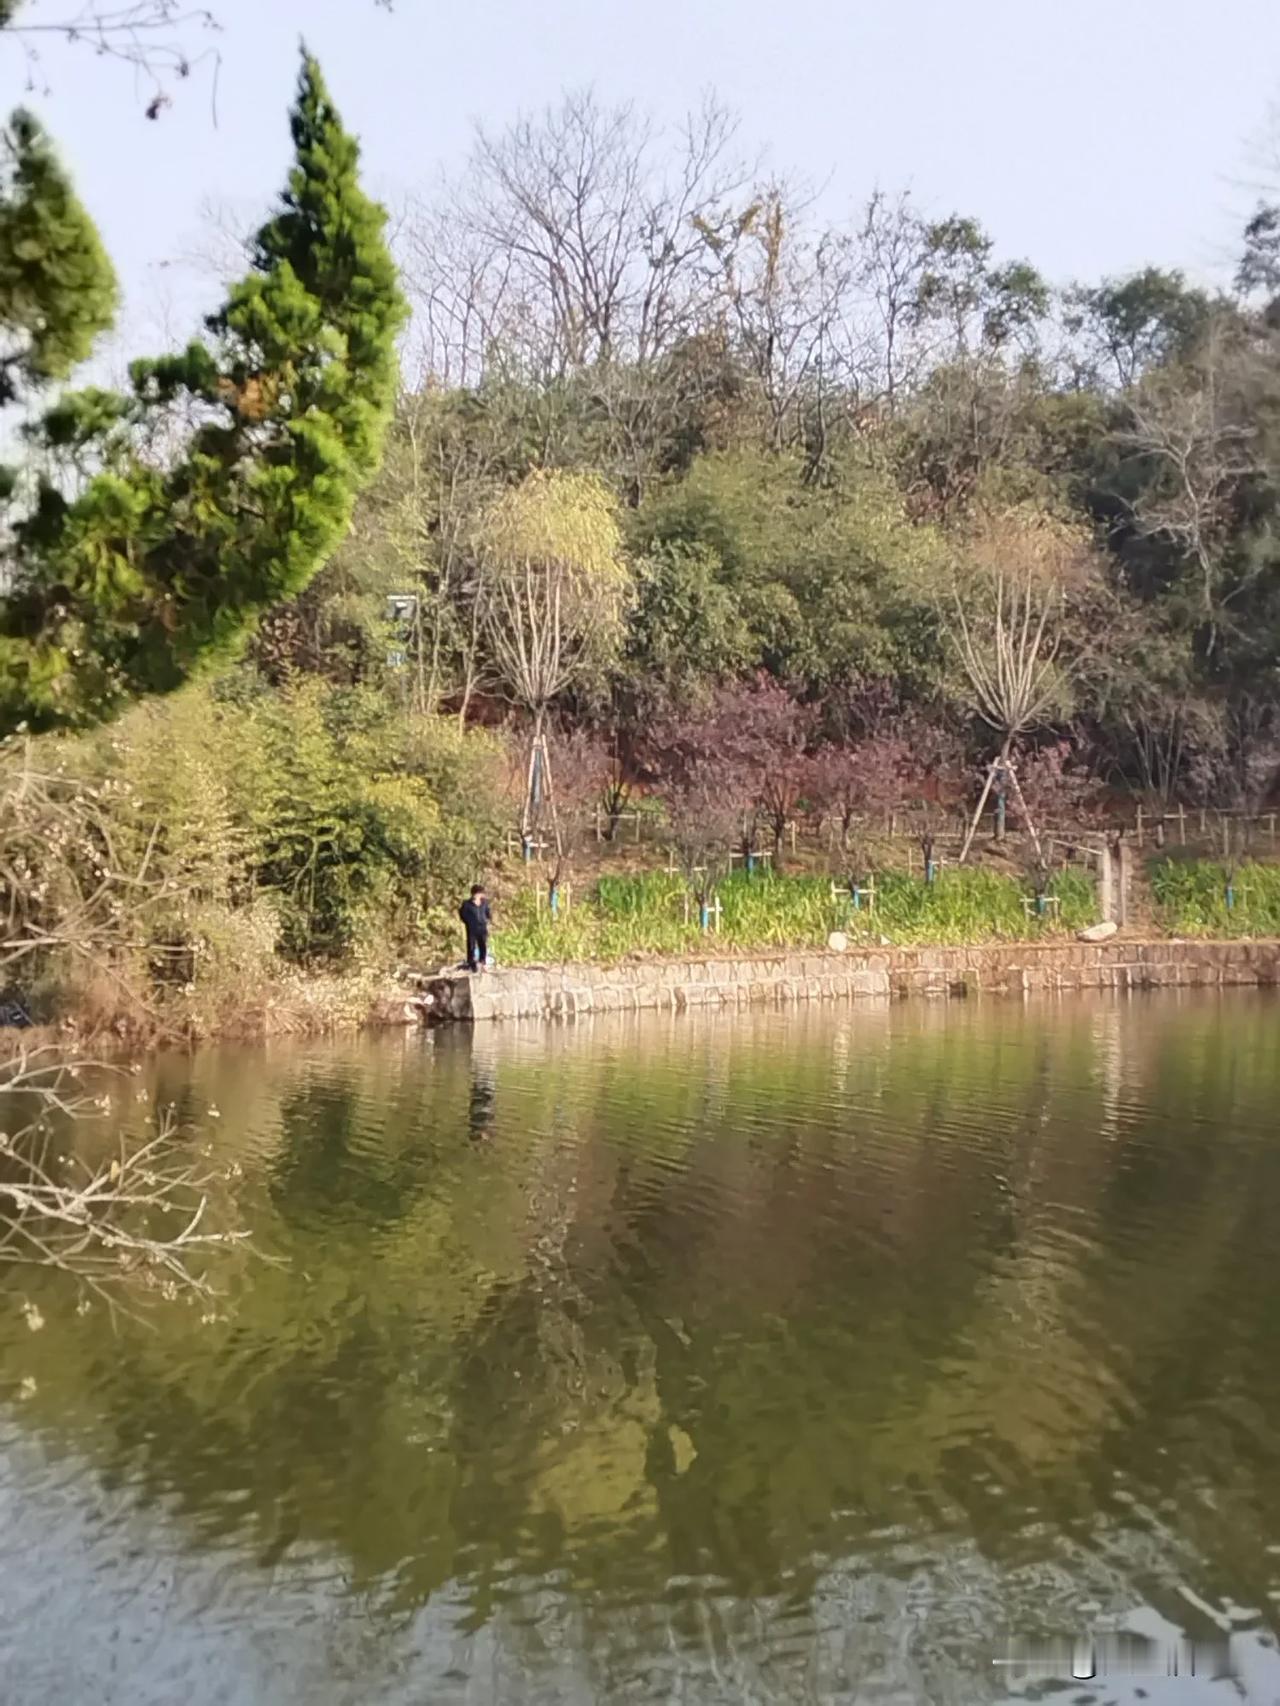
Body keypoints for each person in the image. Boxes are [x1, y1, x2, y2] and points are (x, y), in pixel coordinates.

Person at [459, 884, 492, 973]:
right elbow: (462, 915)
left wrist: (487, 921)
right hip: (472, 928)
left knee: (483, 945)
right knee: (471, 946)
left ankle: (482, 962)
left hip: (482, 927)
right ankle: (471, 964)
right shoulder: (466, 904)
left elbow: (488, 913)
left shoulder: (484, 903)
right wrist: (468, 922)